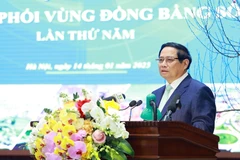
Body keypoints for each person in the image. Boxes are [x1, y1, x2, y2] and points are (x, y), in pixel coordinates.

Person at [152, 42, 216, 133]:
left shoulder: (199, 91)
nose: (163, 64)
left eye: (169, 60)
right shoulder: (155, 94)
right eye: (161, 60)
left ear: (185, 63)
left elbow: (203, 130)